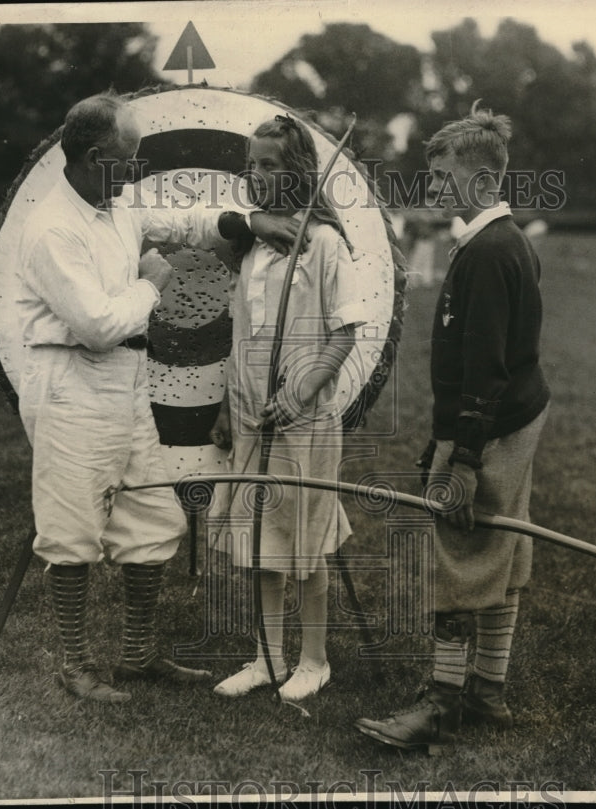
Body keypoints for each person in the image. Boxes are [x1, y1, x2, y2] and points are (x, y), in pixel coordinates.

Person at [16, 92, 300, 703]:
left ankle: (138, 657)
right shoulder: (50, 229)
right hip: (70, 383)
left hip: (124, 381)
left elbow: (187, 222)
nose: (137, 169)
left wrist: (251, 223)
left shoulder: (115, 204)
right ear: (95, 157)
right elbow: (95, 323)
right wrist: (152, 284)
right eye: (128, 158)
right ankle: (75, 665)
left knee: (153, 519)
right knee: (72, 531)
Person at [355, 101, 550, 752]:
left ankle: (442, 702)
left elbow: (486, 368)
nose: (432, 188)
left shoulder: (492, 250)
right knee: (503, 551)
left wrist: (462, 459)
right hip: (500, 419)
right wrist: (444, 437)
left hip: (493, 425)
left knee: (460, 553)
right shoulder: (495, 241)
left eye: (441, 176)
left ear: (482, 180)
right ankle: (487, 693)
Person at [208, 114, 369, 702]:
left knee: (305, 541)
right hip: (252, 415)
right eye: (251, 164)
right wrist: (230, 405)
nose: (255, 174)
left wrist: (300, 390)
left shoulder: (325, 243)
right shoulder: (252, 246)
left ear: (298, 172)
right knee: (258, 540)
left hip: (302, 419)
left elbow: (346, 332)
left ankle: (314, 660)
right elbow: (241, 333)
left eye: (269, 165)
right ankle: (267, 657)